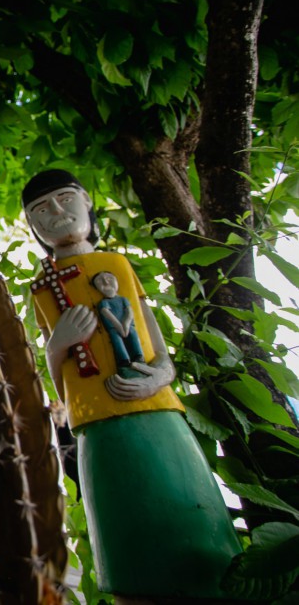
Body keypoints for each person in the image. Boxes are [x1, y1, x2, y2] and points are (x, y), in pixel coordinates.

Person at [23, 169, 242, 603]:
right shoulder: (42, 288)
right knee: (126, 542)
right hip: (97, 423)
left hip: (158, 412)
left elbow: (157, 346)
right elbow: (61, 384)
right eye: (40, 211)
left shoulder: (116, 266)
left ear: (87, 203)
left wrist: (161, 375)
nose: (57, 214)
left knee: (196, 528)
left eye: (65, 199)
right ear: (33, 227)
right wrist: (60, 344)